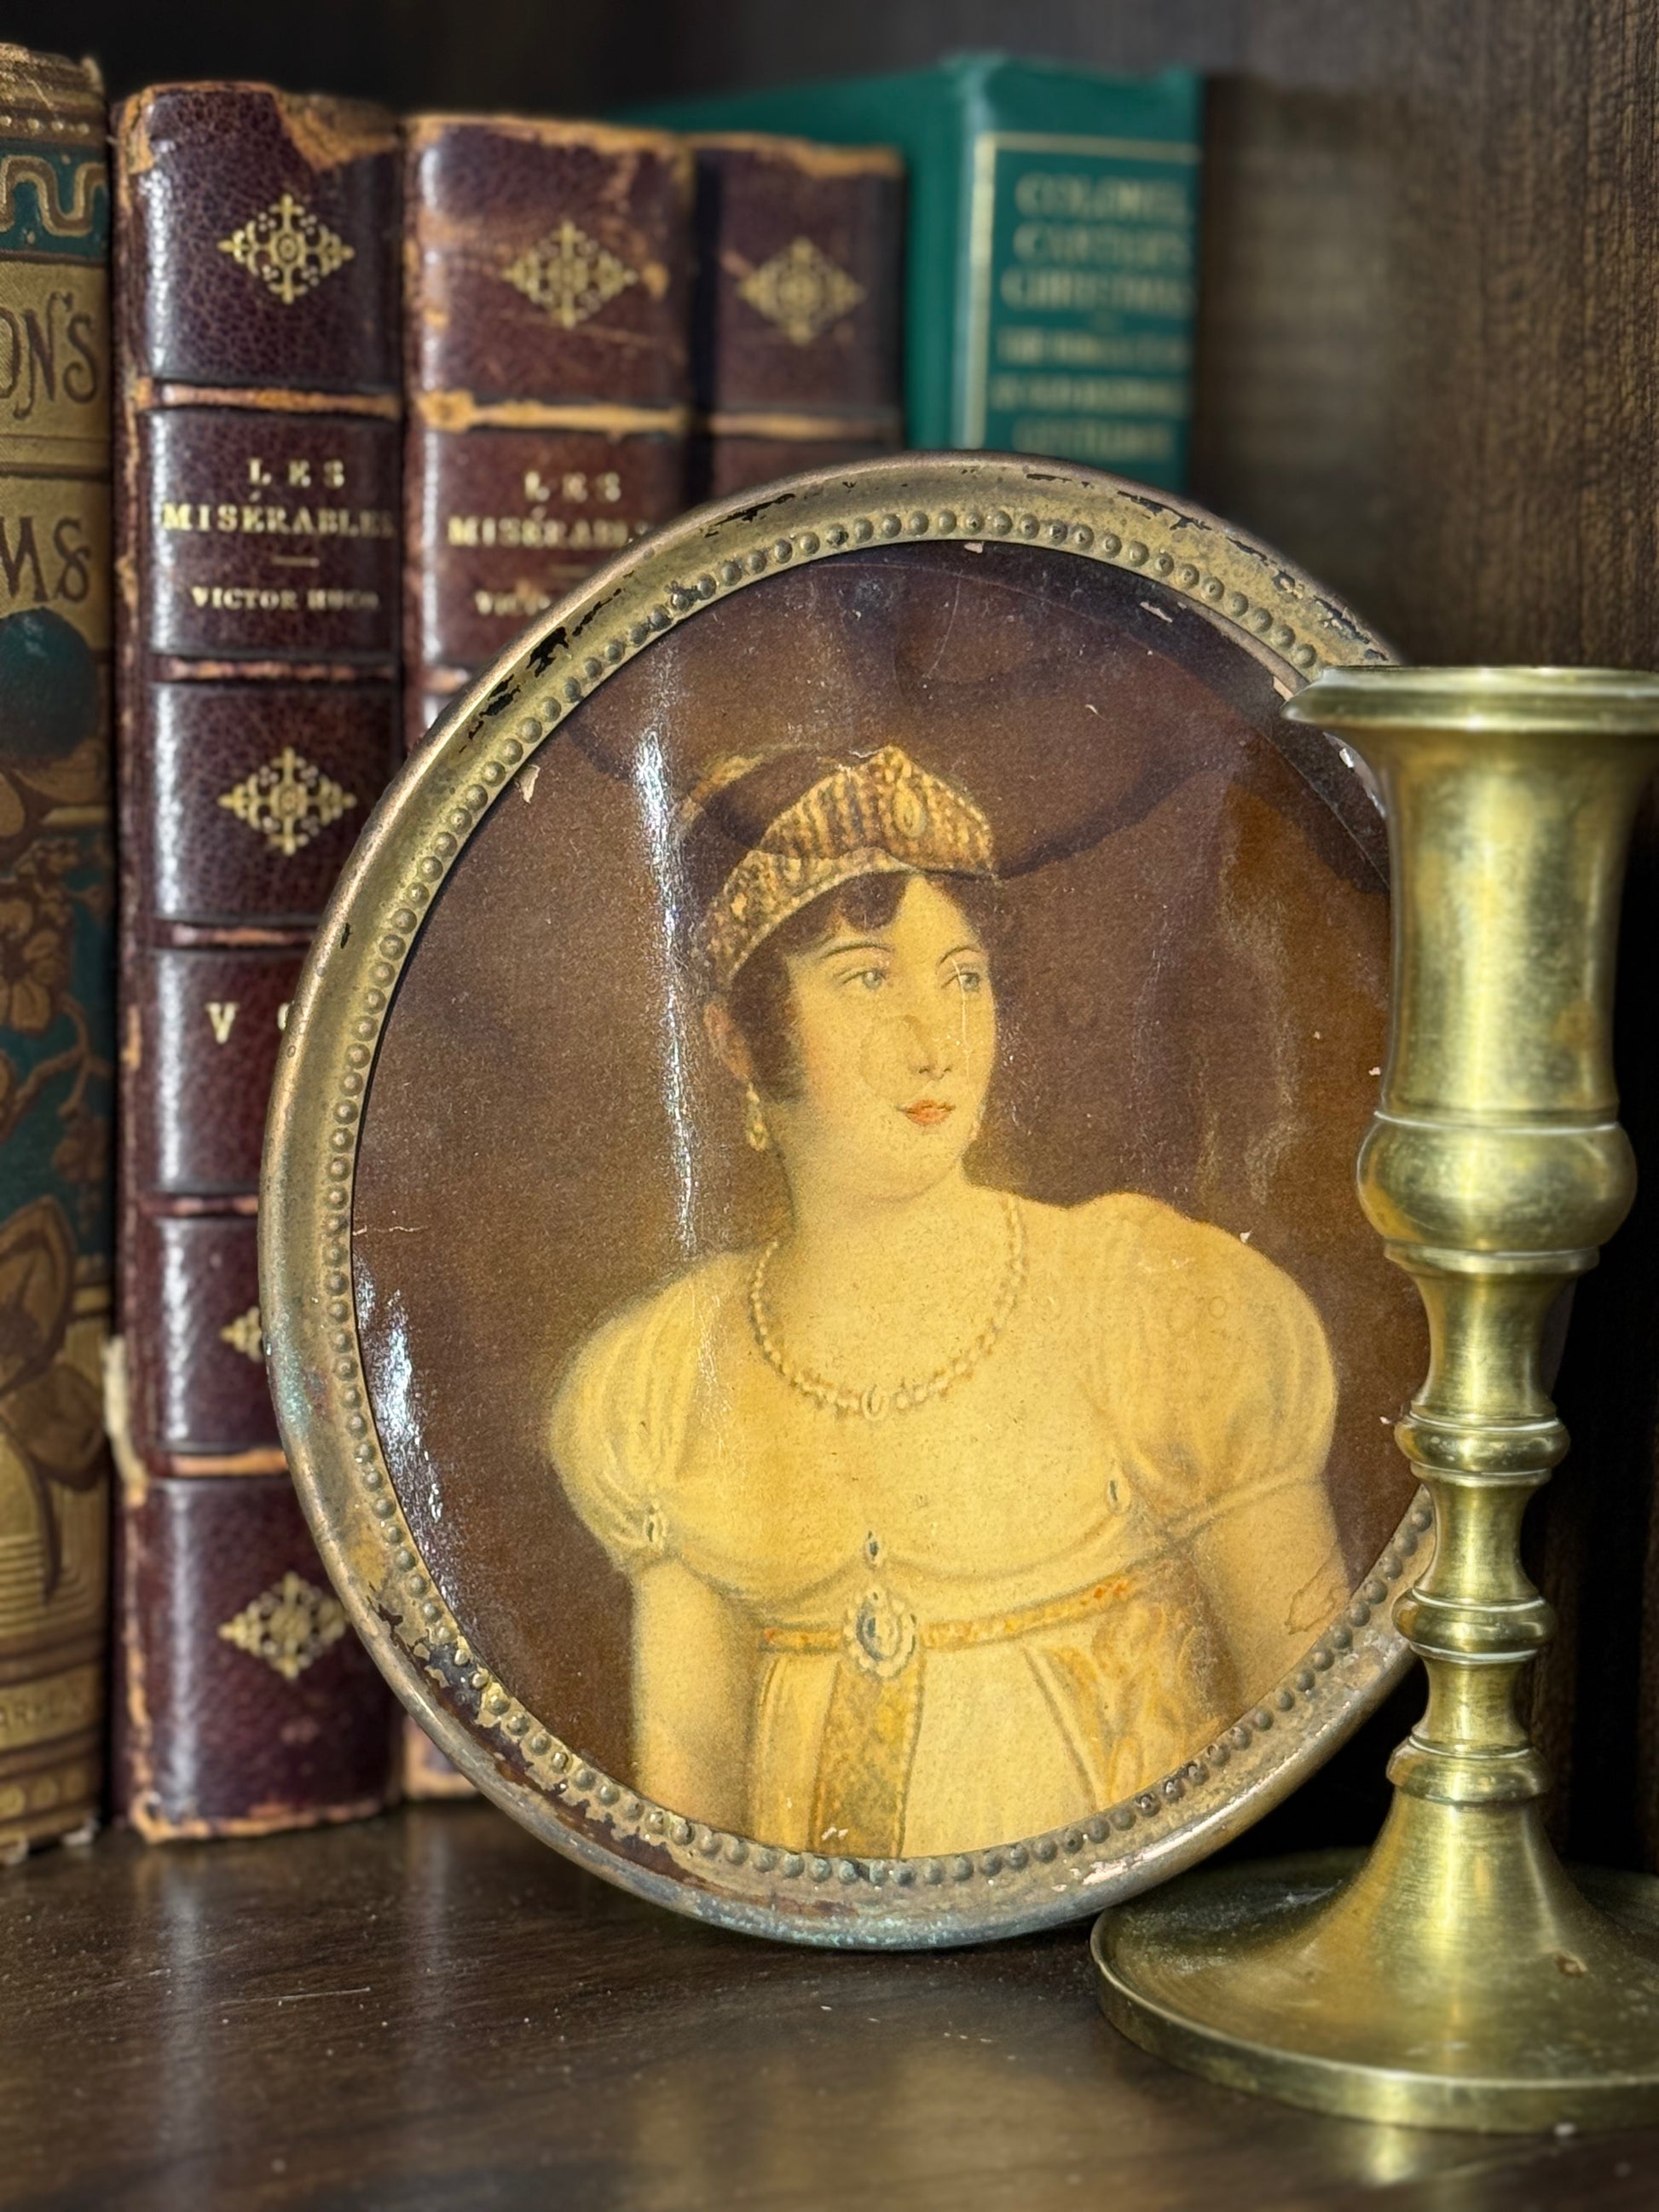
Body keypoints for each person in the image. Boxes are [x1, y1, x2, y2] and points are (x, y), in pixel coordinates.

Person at [551, 744, 1344, 1858]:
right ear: (737, 1039)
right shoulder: (666, 1380)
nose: (936, 1044)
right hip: (818, 2004)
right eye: (867, 976)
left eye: (961, 976)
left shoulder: (1155, 1303)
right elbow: (695, 1824)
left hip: (1126, 1962)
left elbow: (1306, 1739)